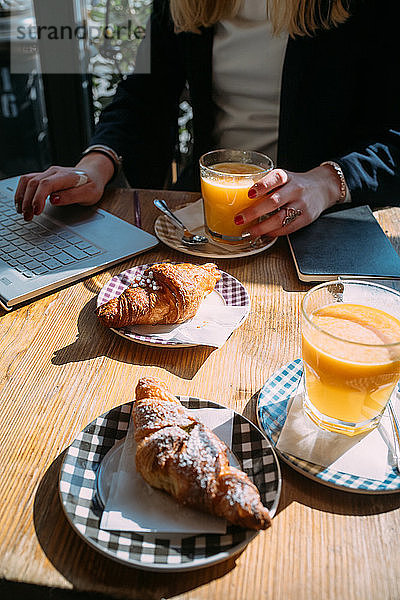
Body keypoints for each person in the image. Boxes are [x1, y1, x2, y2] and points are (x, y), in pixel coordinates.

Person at [14, 0, 400, 241]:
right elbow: (145, 96)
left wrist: (326, 183)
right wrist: (93, 170)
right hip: (204, 212)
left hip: (324, 224)